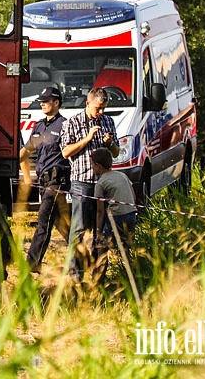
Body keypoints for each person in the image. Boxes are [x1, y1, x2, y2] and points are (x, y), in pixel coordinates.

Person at [60, 87, 120, 280]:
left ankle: (99, 271)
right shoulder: (73, 122)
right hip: (82, 182)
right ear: (88, 104)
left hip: (103, 182)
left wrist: (110, 143)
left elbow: (116, 153)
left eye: (104, 108)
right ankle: (73, 271)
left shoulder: (108, 122)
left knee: (101, 228)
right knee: (78, 227)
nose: (101, 113)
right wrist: (87, 139)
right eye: (98, 108)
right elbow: (66, 152)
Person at [19, 86, 71, 273]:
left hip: (57, 180)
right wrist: (26, 177)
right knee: (59, 221)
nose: (42, 104)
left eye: (46, 101)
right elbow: (26, 151)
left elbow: (70, 152)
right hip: (42, 180)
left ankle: (33, 263)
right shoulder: (39, 125)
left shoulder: (65, 125)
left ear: (56, 103)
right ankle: (83, 255)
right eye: (41, 101)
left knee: (43, 219)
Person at [91, 148, 137, 283]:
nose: (92, 168)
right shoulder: (122, 175)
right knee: (126, 249)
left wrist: (98, 232)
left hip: (116, 218)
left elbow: (100, 211)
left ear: (98, 166)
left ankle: (98, 281)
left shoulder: (101, 183)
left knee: (102, 249)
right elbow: (133, 196)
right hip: (131, 214)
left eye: (92, 165)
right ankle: (132, 279)